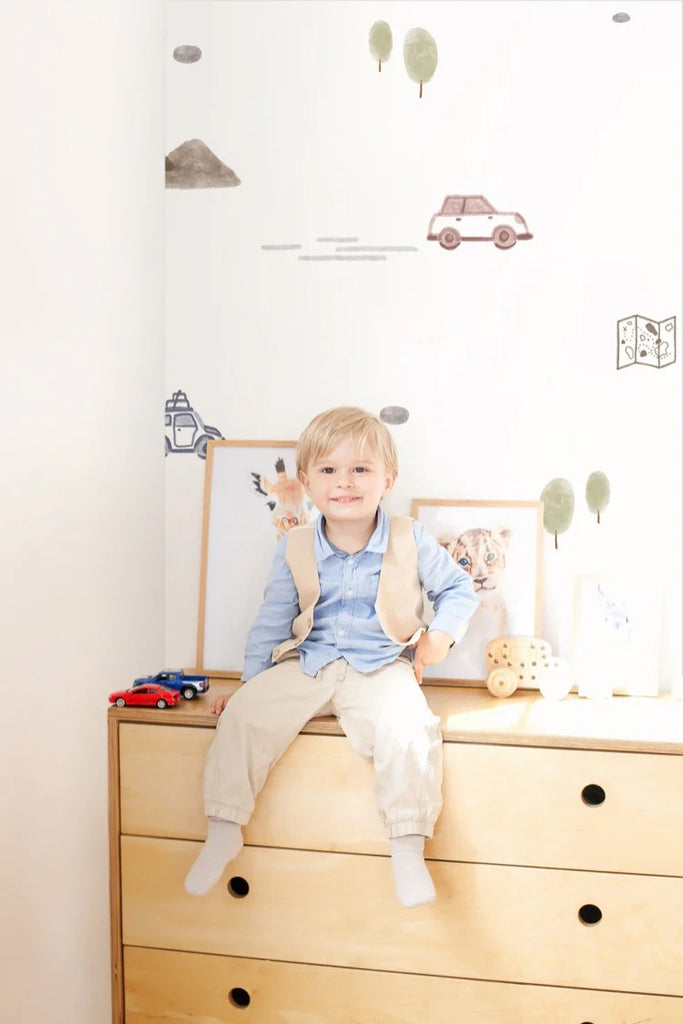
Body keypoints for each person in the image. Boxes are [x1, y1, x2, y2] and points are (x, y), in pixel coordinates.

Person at [185, 407, 477, 907]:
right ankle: (224, 825)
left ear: (388, 478)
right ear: (307, 482)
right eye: (328, 470)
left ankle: (407, 845)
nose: (345, 482)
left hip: (383, 665)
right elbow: (273, 618)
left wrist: (439, 639)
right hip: (309, 662)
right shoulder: (295, 545)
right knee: (246, 718)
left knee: (409, 729)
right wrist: (250, 683)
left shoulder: (410, 538)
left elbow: (458, 590)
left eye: (360, 469)